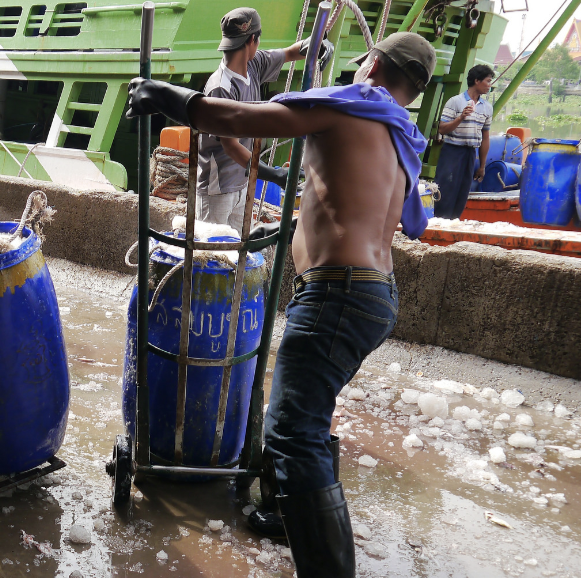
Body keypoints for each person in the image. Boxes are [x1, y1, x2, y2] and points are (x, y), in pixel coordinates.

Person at [127, 32, 436, 578]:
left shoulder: (350, 105)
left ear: (376, 63)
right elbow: (377, 208)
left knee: (295, 432)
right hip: (372, 292)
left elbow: (241, 120)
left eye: (364, 59)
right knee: (306, 416)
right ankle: (280, 511)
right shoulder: (399, 133)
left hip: (339, 290)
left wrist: (167, 97)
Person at [193, 7, 331, 228]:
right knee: (210, 256)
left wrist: (316, 44)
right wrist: (274, 174)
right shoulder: (220, 88)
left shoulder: (254, 64)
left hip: (242, 184)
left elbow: (289, 53)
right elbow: (231, 147)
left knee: (238, 251)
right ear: (253, 40)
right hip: (216, 191)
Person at [434, 64, 494, 219]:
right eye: (487, 81)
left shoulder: (487, 108)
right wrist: (460, 117)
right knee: (445, 189)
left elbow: (485, 137)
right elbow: (442, 129)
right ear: (477, 81)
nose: (490, 85)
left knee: (462, 192)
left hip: (470, 153)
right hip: (452, 151)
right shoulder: (455, 102)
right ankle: (438, 223)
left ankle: (453, 224)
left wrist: (482, 166)